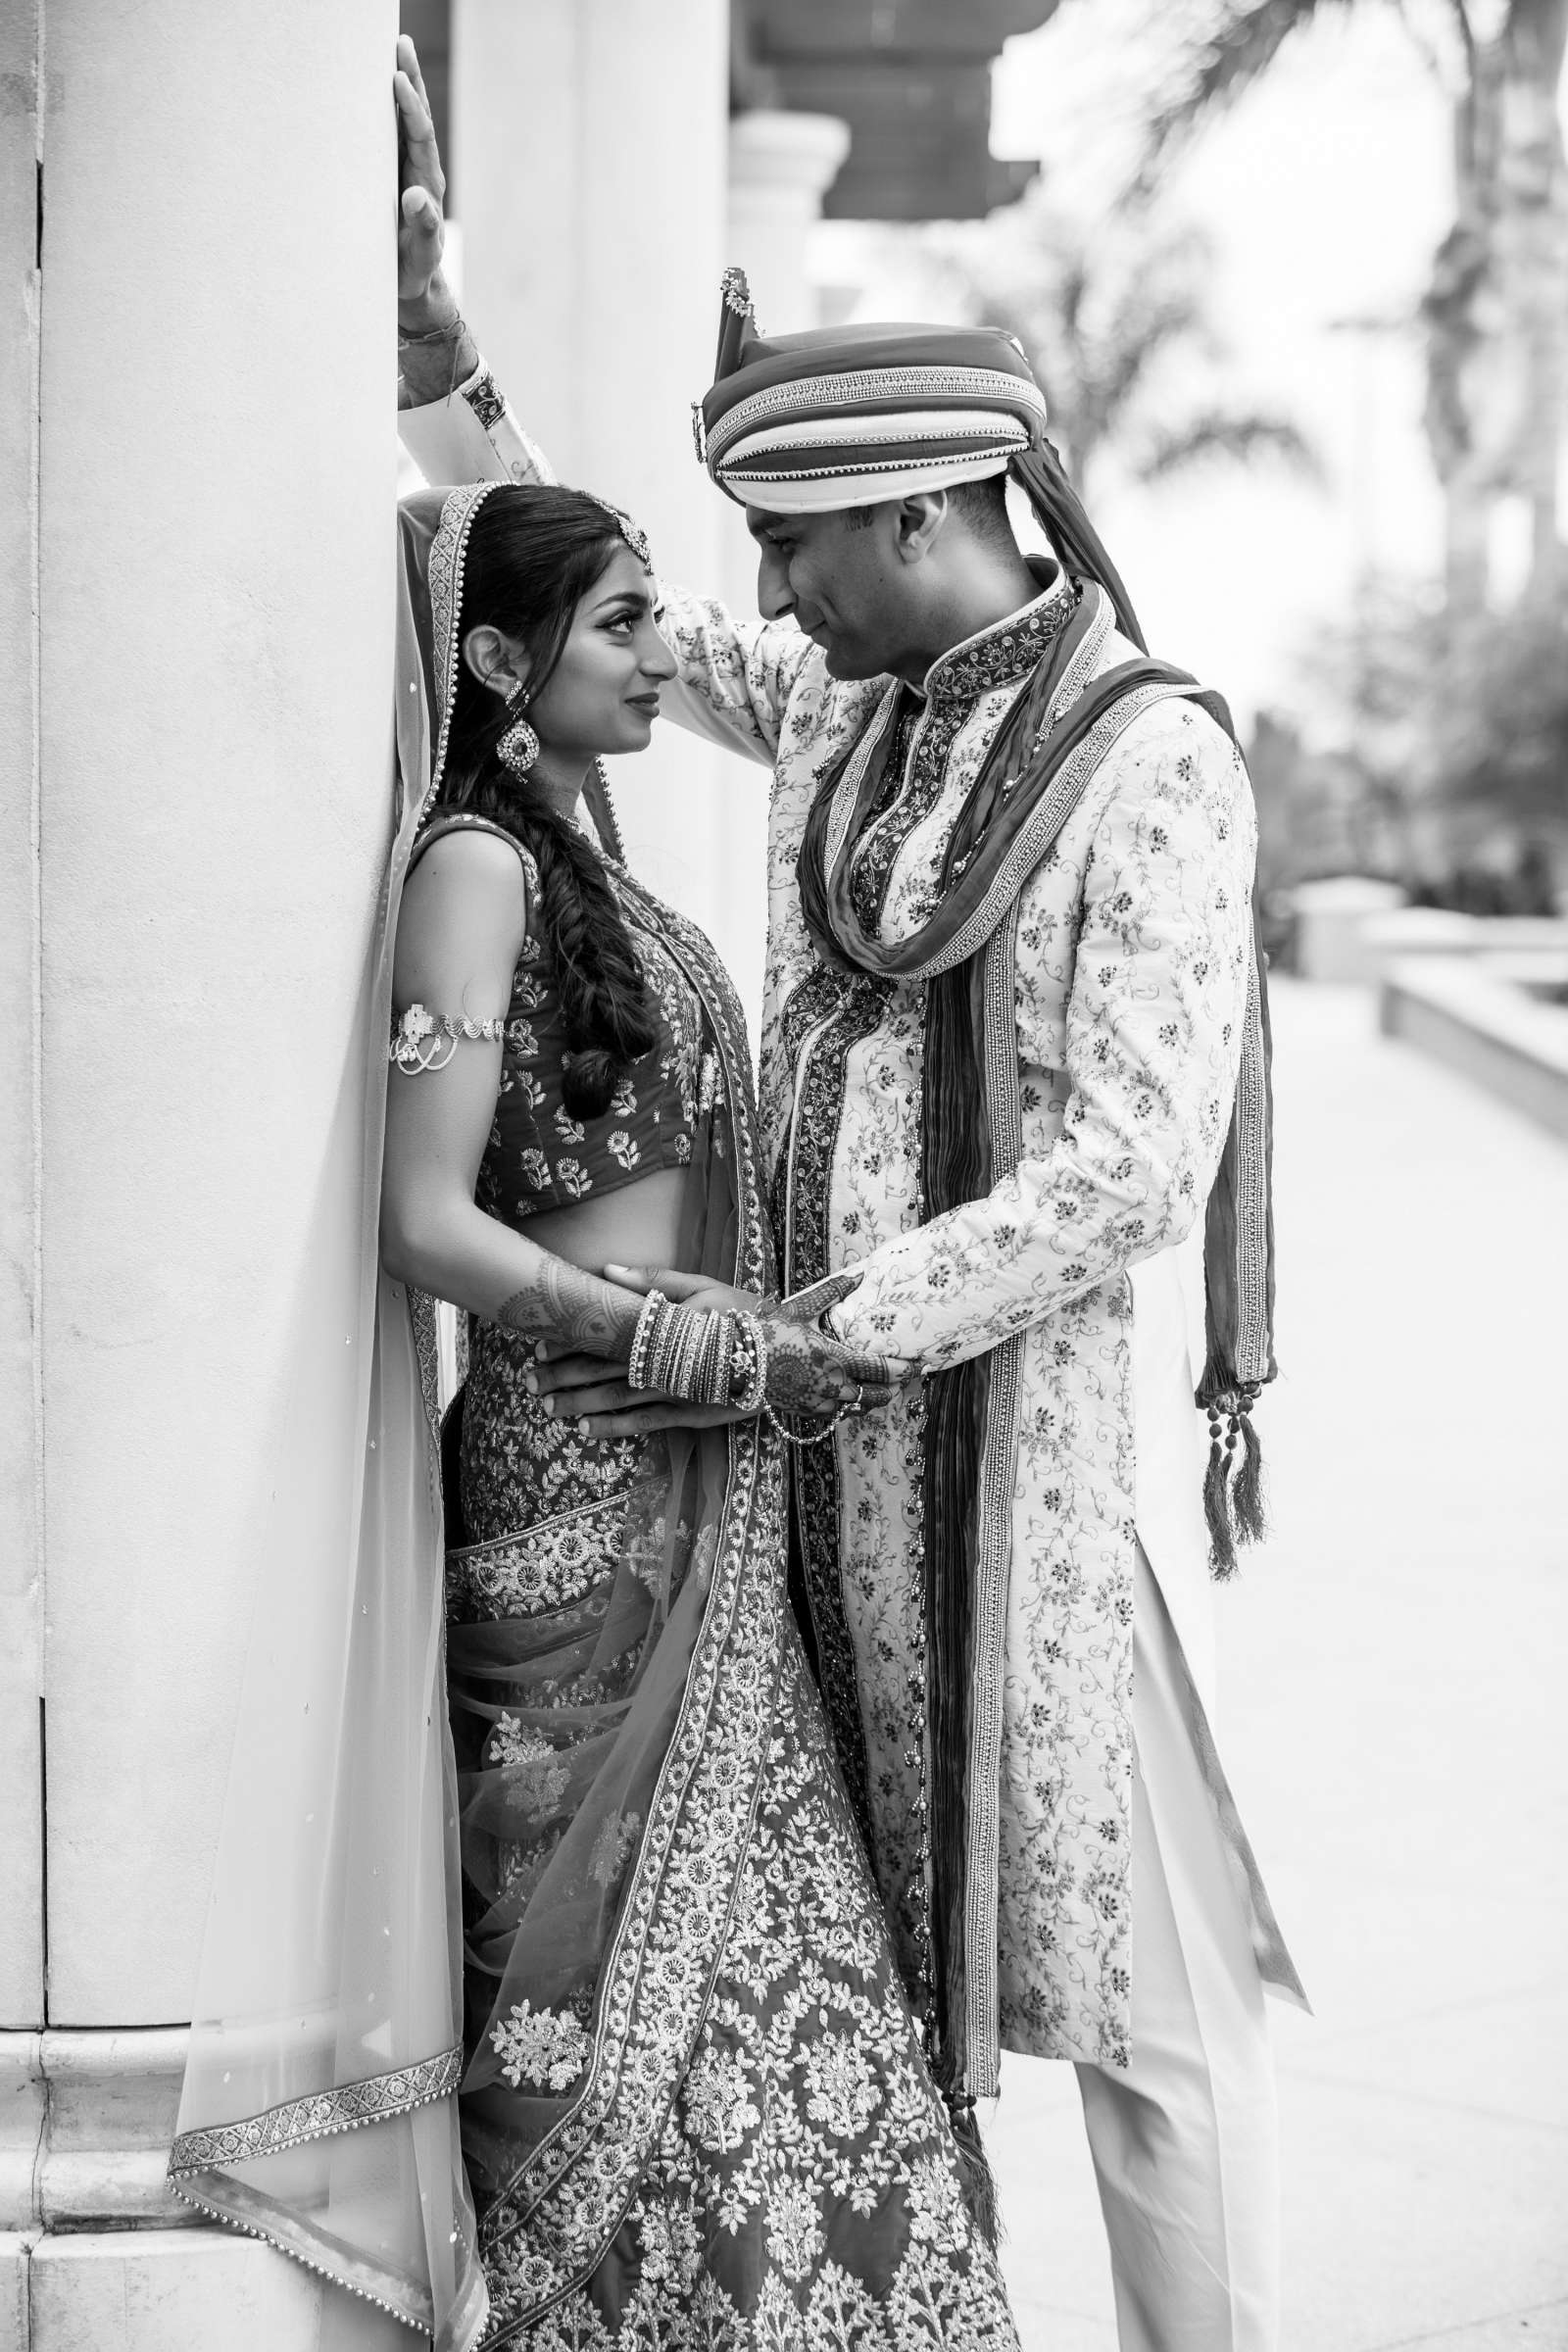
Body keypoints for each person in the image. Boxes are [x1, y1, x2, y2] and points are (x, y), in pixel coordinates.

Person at [390, 38, 1308, 2352]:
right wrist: (445, 377)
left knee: (1136, 2010)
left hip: (1000, 1482)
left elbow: (1124, 1164)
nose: (762, 607)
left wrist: (841, 1332)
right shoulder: (853, 717)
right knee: (894, 1994)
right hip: (790, 1479)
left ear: (915, 519)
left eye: (793, 548)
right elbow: (600, 625)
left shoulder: (1144, 761)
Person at [169, 458, 1023, 2343]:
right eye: (622, 621)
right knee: (597, 1991)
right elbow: (421, 1215)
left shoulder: (580, 847)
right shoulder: (476, 863)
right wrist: (653, 1336)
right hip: (579, 1486)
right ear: (495, 654)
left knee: (769, 1978)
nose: (665, 651)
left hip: (691, 1485)